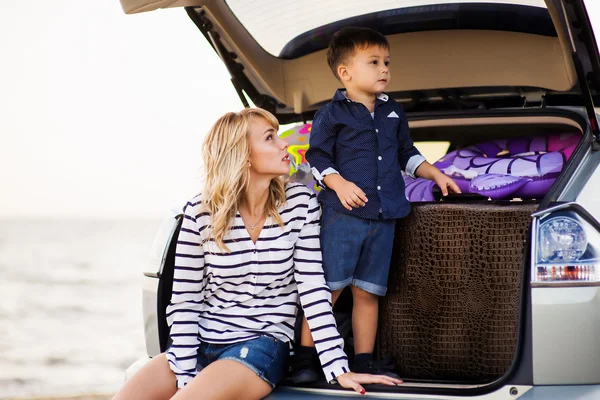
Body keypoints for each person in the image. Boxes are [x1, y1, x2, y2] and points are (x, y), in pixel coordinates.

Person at [112, 108, 403, 400]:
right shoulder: (200, 211)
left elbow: (314, 289)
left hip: (261, 345)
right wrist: (185, 376)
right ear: (243, 155)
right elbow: (186, 302)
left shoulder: (301, 203)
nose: (283, 144)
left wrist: (337, 367)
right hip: (197, 343)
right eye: (270, 138)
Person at [293, 27, 461, 383]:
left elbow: (407, 154)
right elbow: (317, 157)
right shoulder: (331, 114)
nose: (384, 68)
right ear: (345, 72)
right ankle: (306, 360)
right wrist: (338, 183)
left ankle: (364, 360)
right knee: (328, 290)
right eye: (373, 62)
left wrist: (435, 174)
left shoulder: (393, 111)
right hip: (343, 216)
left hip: (385, 217)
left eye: (387, 62)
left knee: (368, 292)